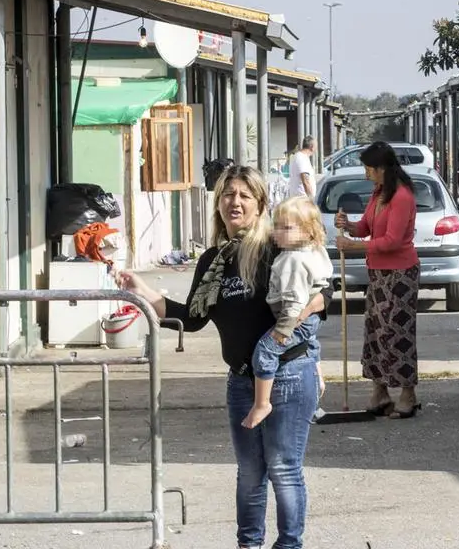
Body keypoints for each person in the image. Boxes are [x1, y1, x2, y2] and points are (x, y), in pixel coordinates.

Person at [115, 165, 330, 549]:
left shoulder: (275, 248)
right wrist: (145, 291)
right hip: (241, 380)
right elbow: (193, 319)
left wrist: (307, 325)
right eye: (229, 194)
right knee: (249, 472)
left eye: (245, 195)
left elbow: (322, 293)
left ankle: (289, 545)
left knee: (283, 469)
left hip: (288, 375)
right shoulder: (213, 260)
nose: (236, 202)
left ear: (260, 204)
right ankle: (248, 544)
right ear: (218, 204)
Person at [335, 141, 421, 419]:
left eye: (369, 168)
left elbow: (393, 241)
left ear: (381, 168)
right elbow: (366, 227)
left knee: (397, 334)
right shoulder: (379, 193)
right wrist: (348, 225)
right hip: (378, 273)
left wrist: (353, 246)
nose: (366, 173)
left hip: (400, 274)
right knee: (376, 333)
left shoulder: (402, 197)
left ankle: (408, 394)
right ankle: (380, 391)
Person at [242, 197, 333, 429]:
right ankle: (317, 381)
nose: (277, 232)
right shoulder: (314, 250)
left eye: (287, 227)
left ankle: (262, 403)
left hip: (292, 320)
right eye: (277, 225)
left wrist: (283, 328)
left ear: (308, 231)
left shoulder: (293, 260)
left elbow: (294, 301)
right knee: (309, 345)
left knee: (264, 351)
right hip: (308, 322)